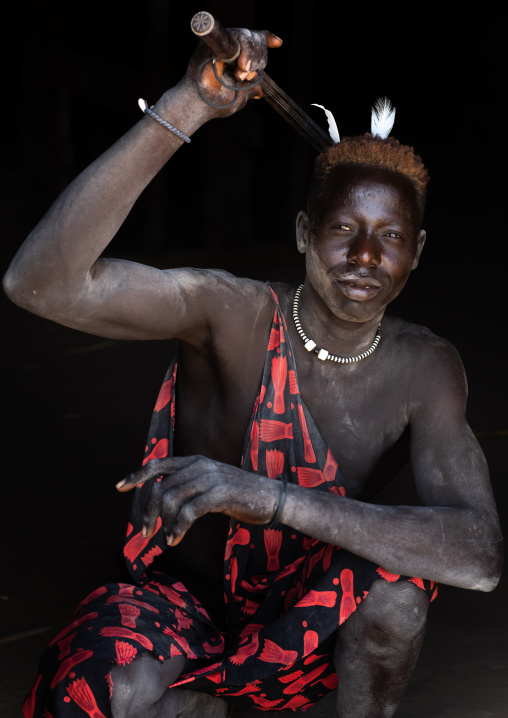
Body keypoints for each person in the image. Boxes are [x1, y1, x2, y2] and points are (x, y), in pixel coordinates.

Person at [4, 25, 503, 718]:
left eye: (389, 238)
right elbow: (40, 284)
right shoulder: (229, 312)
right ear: (303, 233)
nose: (364, 255)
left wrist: (271, 499)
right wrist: (187, 106)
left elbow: (478, 555)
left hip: (302, 623)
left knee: (397, 590)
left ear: (415, 252)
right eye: (341, 229)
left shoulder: (426, 366)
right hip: (180, 610)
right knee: (109, 683)